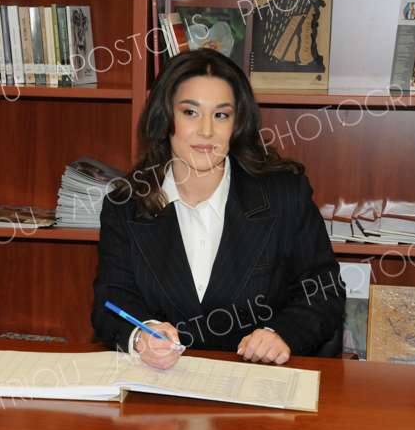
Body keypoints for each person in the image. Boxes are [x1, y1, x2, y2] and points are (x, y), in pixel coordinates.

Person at [91, 48, 345, 370]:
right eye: (190, 112)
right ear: (165, 118)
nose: (207, 131)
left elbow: (323, 292)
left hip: (259, 381)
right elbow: (111, 301)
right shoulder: (125, 205)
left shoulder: (284, 195)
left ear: (237, 124)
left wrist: (280, 334)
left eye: (221, 115)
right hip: (161, 383)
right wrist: (142, 335)